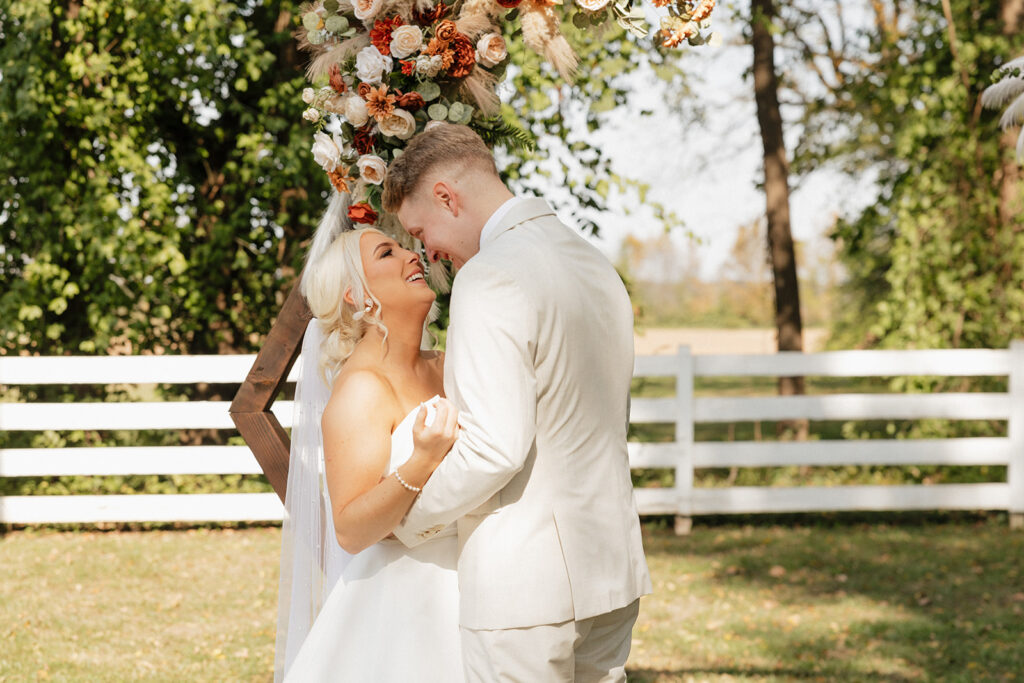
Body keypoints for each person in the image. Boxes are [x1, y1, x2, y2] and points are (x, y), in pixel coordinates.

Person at [382, 123, 652, 682]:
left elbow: (494, 448)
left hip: (525, 587)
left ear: (446, 197)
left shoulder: (490, 276)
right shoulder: (595, 264)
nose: (424, 250)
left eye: (419, 230)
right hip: (611, 567)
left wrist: (405, 519)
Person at [275, 220, 465, 682]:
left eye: (406, 248)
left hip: (473, 584)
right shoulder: (361, 390)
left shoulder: (449, 364)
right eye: (387, 254)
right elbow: (351, 529)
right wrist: (420, 461)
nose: (411, 256)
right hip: (406, 612)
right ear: (355, 297)